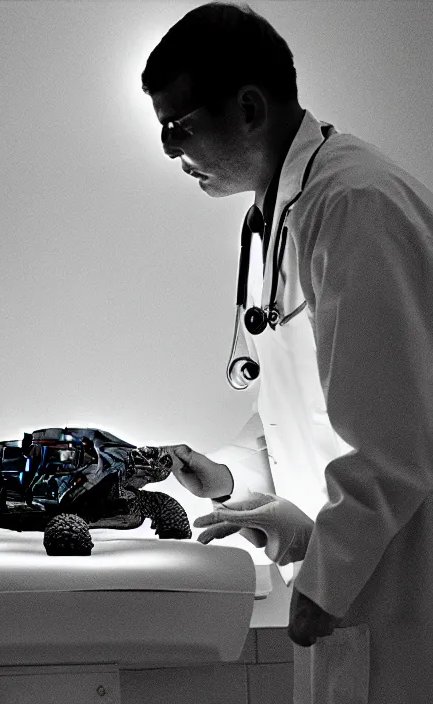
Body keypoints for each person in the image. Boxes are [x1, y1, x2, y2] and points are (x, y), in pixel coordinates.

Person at [140, 3, 433, 704]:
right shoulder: (283, 214)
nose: (172, 151)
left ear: (248, 108)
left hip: (399, 584)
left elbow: (394, 441)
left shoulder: (356, 203)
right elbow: (312, 402)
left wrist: (326, 582)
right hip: (355, 572)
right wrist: (228, 476)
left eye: (177, 127)